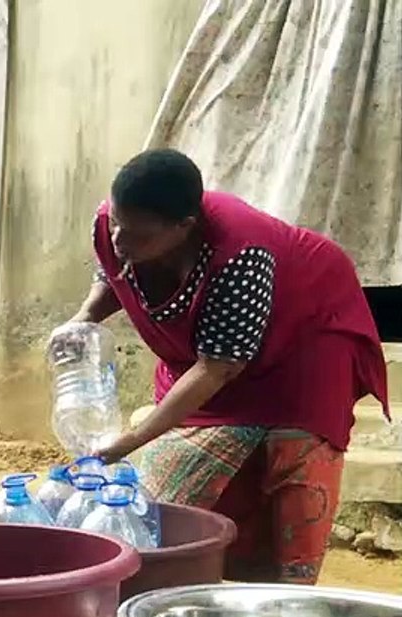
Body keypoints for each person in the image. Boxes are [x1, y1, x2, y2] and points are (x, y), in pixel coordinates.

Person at [69, 148, 388, 584]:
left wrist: (130, 440)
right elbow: (113, 272)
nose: (121, 240)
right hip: (212, 358)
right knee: (162, 497)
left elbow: (217, 368)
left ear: (184, 227)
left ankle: (288, 595)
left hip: (304, 340)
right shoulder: (117, 222)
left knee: (294, 460)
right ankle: (195, 580)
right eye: (117, 224)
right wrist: (84, 318)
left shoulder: (241, 253)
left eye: (138, 235)